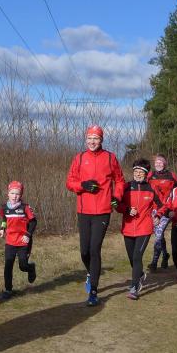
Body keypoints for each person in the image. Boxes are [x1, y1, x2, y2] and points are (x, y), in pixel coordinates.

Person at [65, 124, 124, 306]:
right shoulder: (79, 158)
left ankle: (94, 292)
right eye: (90, 138)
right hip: (84, 211)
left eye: (96, 138)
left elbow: (120, 180)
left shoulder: (110, 157)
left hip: (103, 211)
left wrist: (116, 197)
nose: (92, 141)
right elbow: (70, 182)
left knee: (94, 249)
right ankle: (91, 272)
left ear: (101, 140)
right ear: (86, 139)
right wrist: (82, 185)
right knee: (84, 251)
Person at [117, 159, 162, 300]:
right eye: (135, 171)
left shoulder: (151, 188)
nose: (137, 174)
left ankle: (134, 287)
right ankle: (140, 274)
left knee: (137, 257)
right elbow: (116, 205)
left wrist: (158, 215)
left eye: (141, 172)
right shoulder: (126, 187)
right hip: (128, 228)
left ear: (146, 174)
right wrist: (126, 209)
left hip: (144, 228)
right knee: (132, 258)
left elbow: (162, 205)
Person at [0, 180, 37, 300]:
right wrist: (2, 229)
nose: (14, 196)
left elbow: (33, 222)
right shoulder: (4, 208)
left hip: (23, 241)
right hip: (10, 241)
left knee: (22, 266)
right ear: (8, 193)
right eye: (12, 193)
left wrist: (28, 235)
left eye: (17, 194)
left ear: (21, 195)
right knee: (8, 266)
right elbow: (4, 219)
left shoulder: (25, 208)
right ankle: (8, 290)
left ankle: (30, 268)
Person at [146, 154, 177, 270]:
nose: (158, 164)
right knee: (159, 235)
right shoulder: (150, 175)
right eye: (156, 162)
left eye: (160, 162)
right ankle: (165, 255)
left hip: (167, 209)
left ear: (164, 164)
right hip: (153, 209)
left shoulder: (172, 176)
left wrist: (173, 208)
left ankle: (154, 262)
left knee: (158, 235)